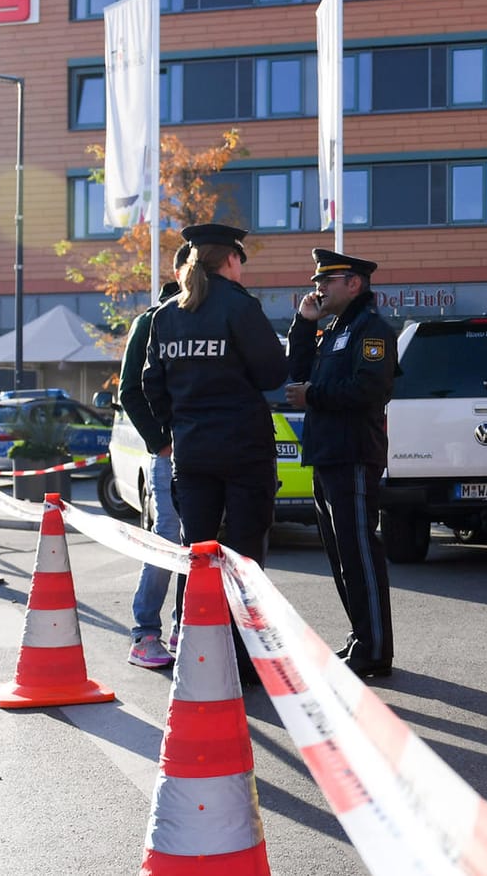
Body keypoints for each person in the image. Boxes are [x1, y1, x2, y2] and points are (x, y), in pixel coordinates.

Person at [141, 223, 287, 681]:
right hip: (244, 449)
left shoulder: (166, 314)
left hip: (193, 452)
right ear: (230, 260)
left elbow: (151, 384)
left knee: (197, 552)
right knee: (244, 557)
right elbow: (271, 373)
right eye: (240, 260)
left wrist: (175, 426)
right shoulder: (239, 307)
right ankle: (243, 662)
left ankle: (194, 648)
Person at [286, 249, 400, 678]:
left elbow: (369, 390)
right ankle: (361, 637)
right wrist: (303, 324)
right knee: (340, 557)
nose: (319, 288)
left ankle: (374, 650)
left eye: (327, 281)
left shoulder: (372, 331)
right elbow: (296, 370)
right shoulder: (334, 329)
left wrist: (313, 396)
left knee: (360, 555)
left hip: (353, 454)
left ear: (354, 283)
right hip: (326, 455)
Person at [117, 243, 190, 669]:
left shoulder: (203, 318)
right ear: (182, 271)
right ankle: (145, 632)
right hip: (168, 454)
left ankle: (183, 624)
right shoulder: (151, 321)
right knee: (167, 535)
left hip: (201, 451)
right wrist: (161, 442)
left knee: (193, 542)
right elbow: (129, 390)